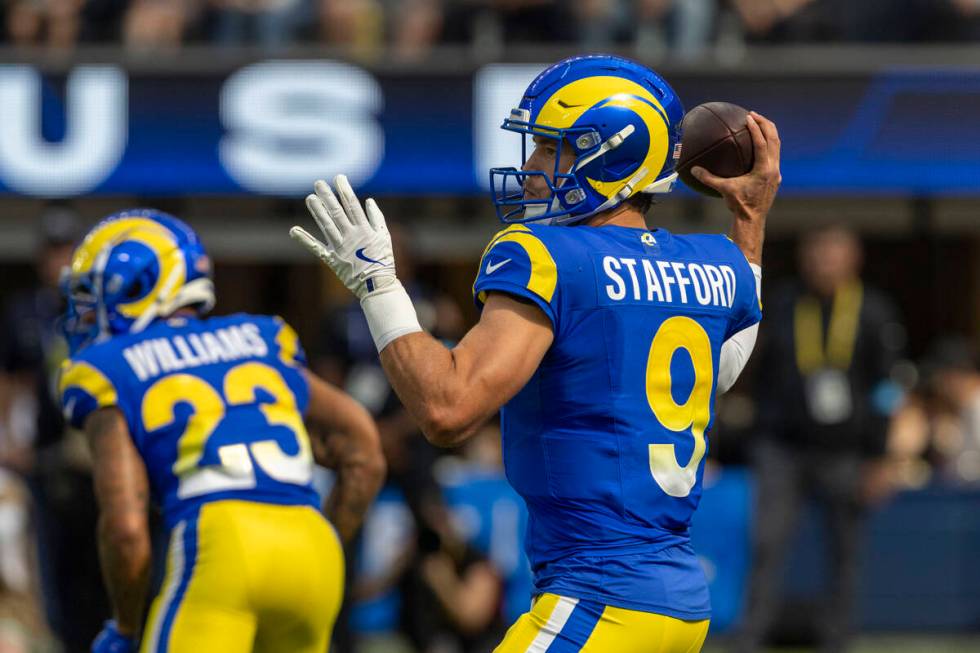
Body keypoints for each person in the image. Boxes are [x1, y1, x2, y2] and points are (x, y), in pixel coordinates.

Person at [291, 54, 780, 650]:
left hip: (603, 596)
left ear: (613, 156)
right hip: (676, 603)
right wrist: (749, 223)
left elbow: (447, 410)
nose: (530, 168)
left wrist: (377, 286)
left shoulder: (548, 256)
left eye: (552, 148)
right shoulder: (717, 263)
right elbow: (721, 371)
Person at [56, 209, 385, 653]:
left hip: (220, 540)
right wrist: (320, 543)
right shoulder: (262, 337)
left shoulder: (106, 367)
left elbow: (126, 529)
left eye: (94, 293)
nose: (86, 311)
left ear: (138, 285)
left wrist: (127, 628)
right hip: (311, 546)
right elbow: (364, 451)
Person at [733, 225, 904, 653]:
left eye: (831, 254)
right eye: (815, 254)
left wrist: (882, 458)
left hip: (846, 452)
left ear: (853, 260)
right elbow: (757, 370)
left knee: (846, 550)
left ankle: (837, 637)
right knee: (767, 543)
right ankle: (752, 634)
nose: (821, 263)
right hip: (783, 448)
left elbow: (888, 388)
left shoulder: (873, 311)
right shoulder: (786, 303)